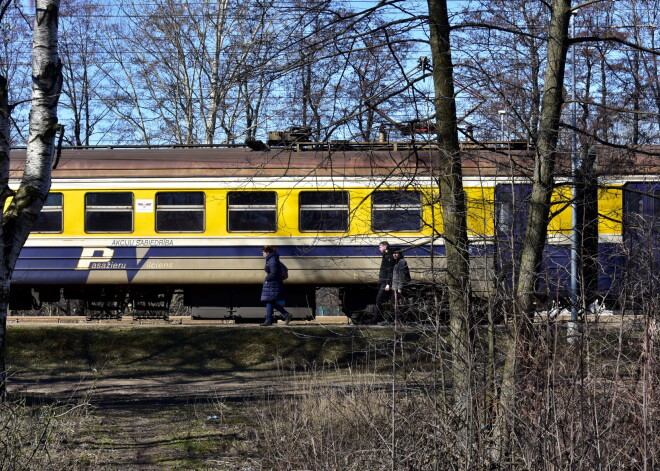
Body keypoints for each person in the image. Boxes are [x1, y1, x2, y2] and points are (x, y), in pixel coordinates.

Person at [260, 246, 292, 326]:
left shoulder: (272, 260)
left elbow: (274, 273)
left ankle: (269, 320)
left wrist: (266, 279)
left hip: (273, 283)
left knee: (270, 301)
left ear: (267, 252)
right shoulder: (273, 259)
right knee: (271, 301)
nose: (262, 254)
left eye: (263, 253)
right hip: (273, 283)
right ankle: (285, 315)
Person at [375, 241, 396, 324]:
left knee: (379, 299)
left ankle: (377, 319)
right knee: (387, 300)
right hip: (383, 281)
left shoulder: (389, 257)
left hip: (385, 282)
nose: (379, 248)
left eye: (380, 247)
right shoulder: (386, 256)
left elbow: (390, 271)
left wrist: (388, 283)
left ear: (385, 247)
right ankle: (383, 319)